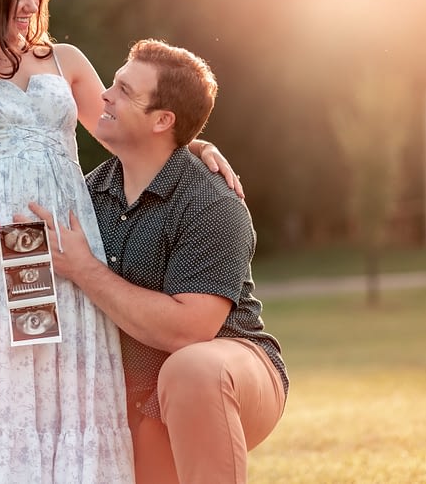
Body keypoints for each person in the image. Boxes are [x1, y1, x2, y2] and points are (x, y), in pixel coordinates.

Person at [0, 0, 240, 484]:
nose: (30, 4)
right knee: (11, 380)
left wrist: (195, 143)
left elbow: (124, 128)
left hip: (66, 241)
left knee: (71, 378)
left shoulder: (63, 60)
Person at [28, 39, 289, 484]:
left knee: (193, 370)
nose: (104, 95)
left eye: (125, 91)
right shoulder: (84, 197)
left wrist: (86, 270)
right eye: (113, 83)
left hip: (228, 371)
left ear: (163, 120)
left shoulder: (211, 201)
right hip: (133, 398)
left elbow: (190, 332)